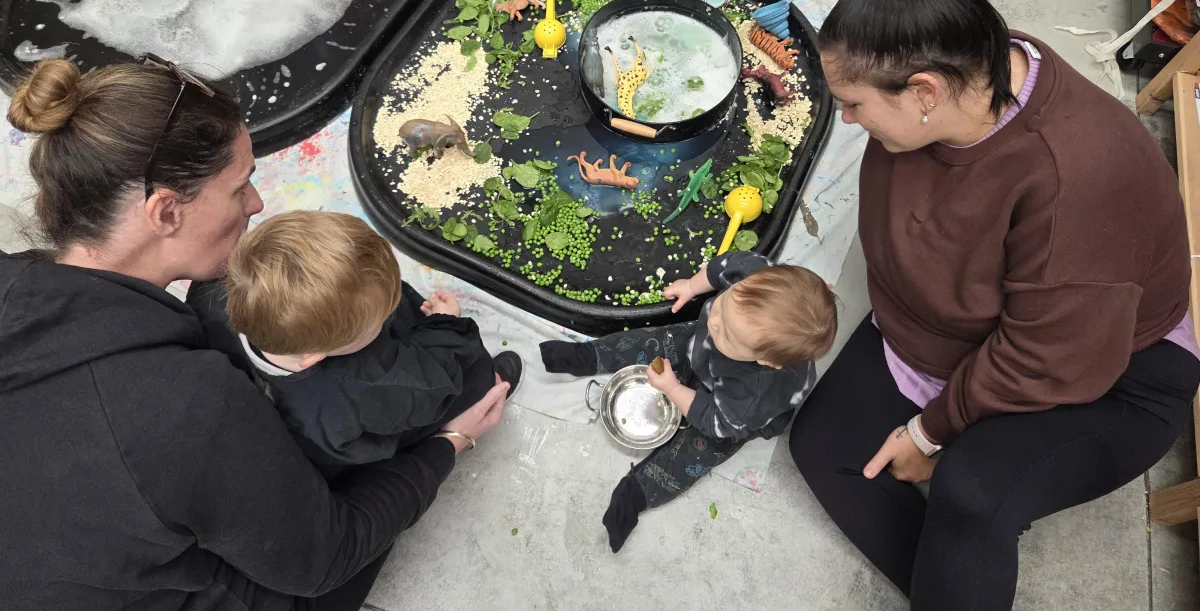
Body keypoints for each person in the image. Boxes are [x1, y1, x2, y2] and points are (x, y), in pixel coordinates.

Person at [0, 57, 510, 610]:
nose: (258, 204)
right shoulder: (181, 404)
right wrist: (447, 445)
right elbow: (322, 559)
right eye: (240, 186)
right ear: (166, 211)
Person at [789, 0, 1200, 611]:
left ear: (923, 90)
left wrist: (929, 431)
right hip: (955, 327)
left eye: (856, 104)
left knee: (973, 488)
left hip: (1111, 368)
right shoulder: (968, 61)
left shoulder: (1076, 177)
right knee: (826, 447)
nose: (848, 119)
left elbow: (1049, 355)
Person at [190, 209, 525, 475]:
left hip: (318, 407)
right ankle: (471, 402)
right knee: (474, 374)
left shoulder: (217, 297)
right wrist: (446, 325)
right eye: (380, 319)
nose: (393, 306)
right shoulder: (369, 384)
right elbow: (429, 381)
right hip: (358, 430)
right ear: (314, 354)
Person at [540, 252, 837, 551]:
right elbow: (725, 266)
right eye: (723, 306)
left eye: (728, 334)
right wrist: (693, 287)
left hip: (730, 413)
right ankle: (587, 356)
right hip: (706, 353)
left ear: (764, 359)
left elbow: (716, 422)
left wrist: (672, 388)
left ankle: (638, 492)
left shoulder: (755, 394)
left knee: (699, 451)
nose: (714, 323)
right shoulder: (752, 275)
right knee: (657, 340)